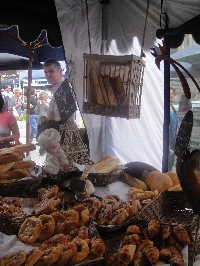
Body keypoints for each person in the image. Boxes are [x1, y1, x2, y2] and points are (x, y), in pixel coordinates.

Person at [169, 87, 178, 171]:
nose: (171, 95)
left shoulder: (173, 108)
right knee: (167, 161)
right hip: (167, 139)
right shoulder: (163, 108)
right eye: (169, 93)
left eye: (172, 94)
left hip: (173, 139)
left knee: (172, 161)